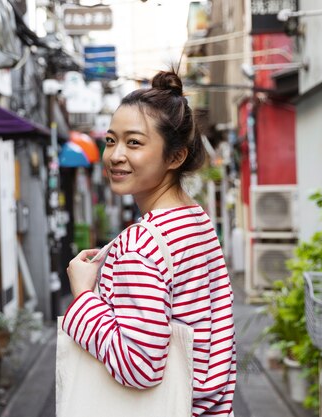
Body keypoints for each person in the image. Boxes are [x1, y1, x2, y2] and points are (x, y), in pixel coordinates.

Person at [63, 70, 236, 417]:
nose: (115, 156)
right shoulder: (195, 220)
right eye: (111, 140)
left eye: (134, 143)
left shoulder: (139, 246)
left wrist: (83, 297)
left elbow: (139, 367)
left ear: (175, 158)